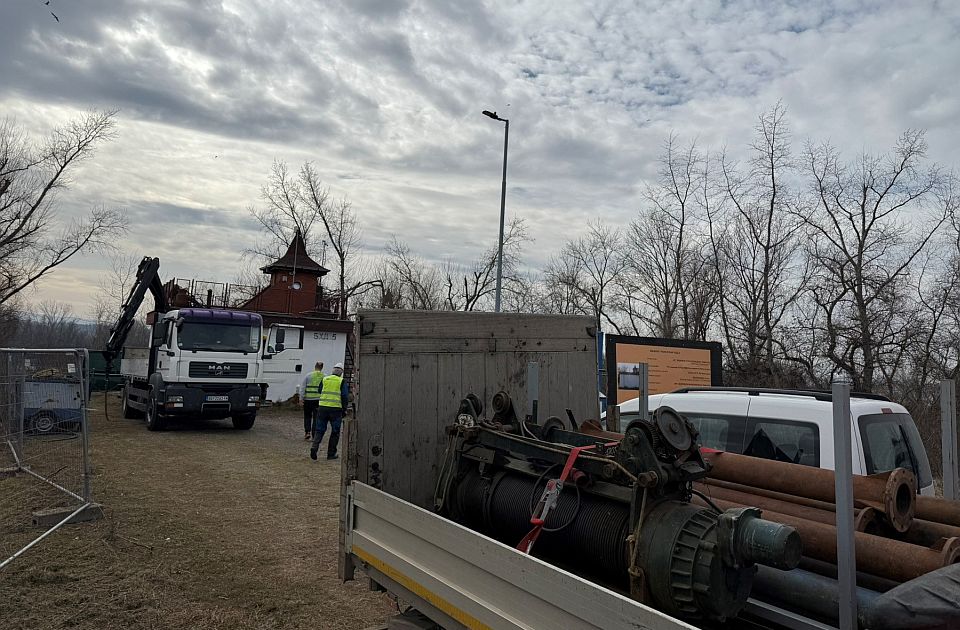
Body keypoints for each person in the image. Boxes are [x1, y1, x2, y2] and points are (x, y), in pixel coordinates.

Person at [310, 362, 348, 461]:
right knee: (335, 432)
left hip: (322, 408)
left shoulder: (325, 379)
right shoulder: (341, 381)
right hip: (335, 410)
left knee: (319, 429)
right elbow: (344, 396)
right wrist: (344, 409)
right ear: (341, 373)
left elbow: (320, 390)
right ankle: (331, 453)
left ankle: (314, 447)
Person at [299, 362, 324, 440]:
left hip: (308, 400)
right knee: (316, 417)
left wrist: (301, 398)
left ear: (315, 367)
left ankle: (307, 432)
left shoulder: (308, 376)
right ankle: (314, 435)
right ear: (322, 368)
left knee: (307, 416)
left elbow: (303, 388)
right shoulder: (324, 377)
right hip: (318, 400)